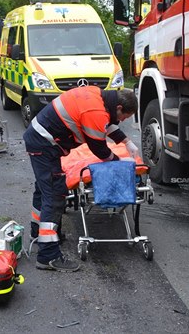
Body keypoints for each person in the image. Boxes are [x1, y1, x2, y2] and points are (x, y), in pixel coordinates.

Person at [23, 86, 139, 272]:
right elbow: (99, 149)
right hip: (44, 143)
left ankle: (38, 234)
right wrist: (119, 161)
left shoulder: (97, 96)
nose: (123, 121)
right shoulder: (95, 111)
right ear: (118, 107)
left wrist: (126, 141)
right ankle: (48, 256)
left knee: (44, 189)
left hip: (40, 139)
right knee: (54, 194)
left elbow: (105, 124)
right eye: (124, 117)